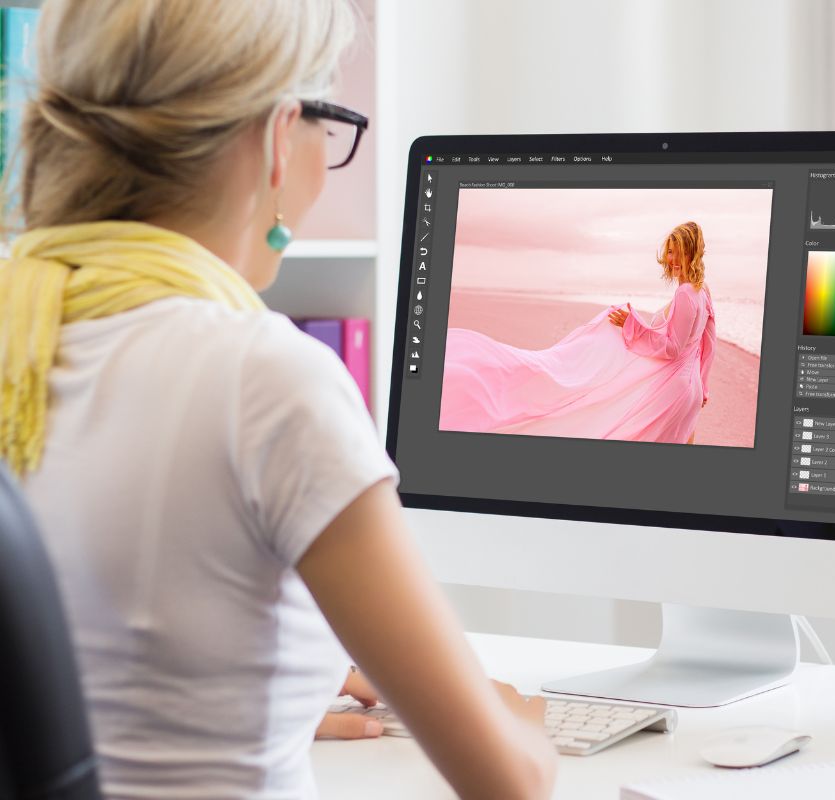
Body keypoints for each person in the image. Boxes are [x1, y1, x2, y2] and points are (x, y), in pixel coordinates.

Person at [0, 2, 556, 798]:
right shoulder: (263, 377)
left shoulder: (19, 329)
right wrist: (525, 729)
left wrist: (277, 692)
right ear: (274, 137)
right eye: (329, 125)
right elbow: (510, 784)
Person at [440, 221, 716, 444]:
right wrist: (702, 387)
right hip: (689, 388)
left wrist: (631, 325)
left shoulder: (685, 293)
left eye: (679, 251)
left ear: (693, 253)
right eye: (670, 251)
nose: (672, 259)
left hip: (673, 389)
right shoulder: (703, 291)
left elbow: (672, 348)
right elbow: (708, 343)